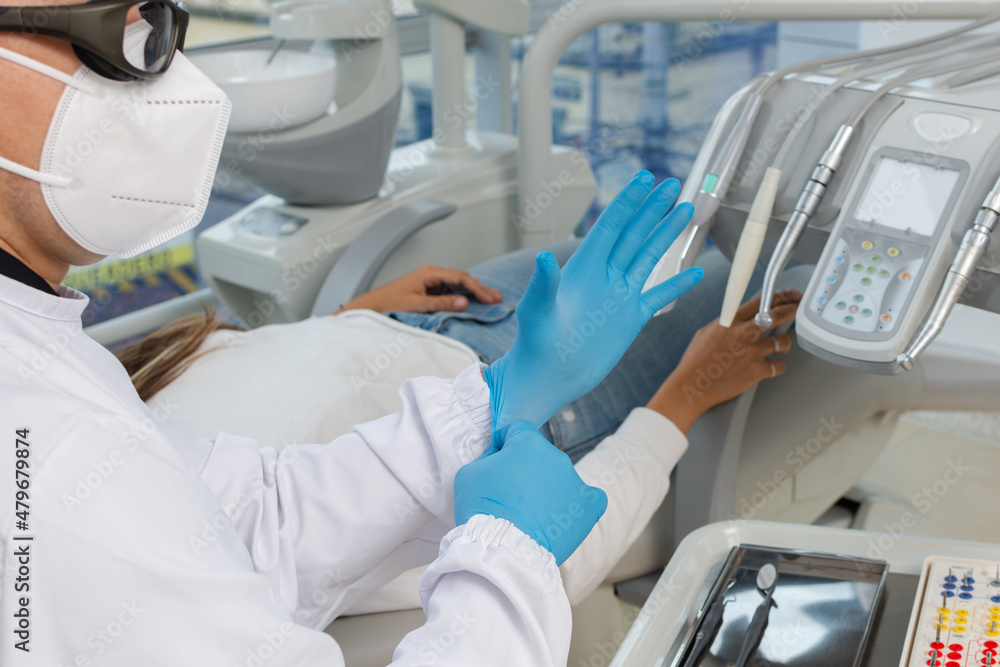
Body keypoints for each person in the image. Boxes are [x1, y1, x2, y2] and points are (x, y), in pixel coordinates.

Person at [0, 2, 801, 665]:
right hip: (529, 411)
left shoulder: (56, 355)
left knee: (614, 253)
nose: (171, 68)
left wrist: (504, 387)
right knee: (752, 272)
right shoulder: (56, 475)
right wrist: (509, 551)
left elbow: (249, 518)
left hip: (432, 347)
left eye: (166, 20)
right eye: (121, 33)